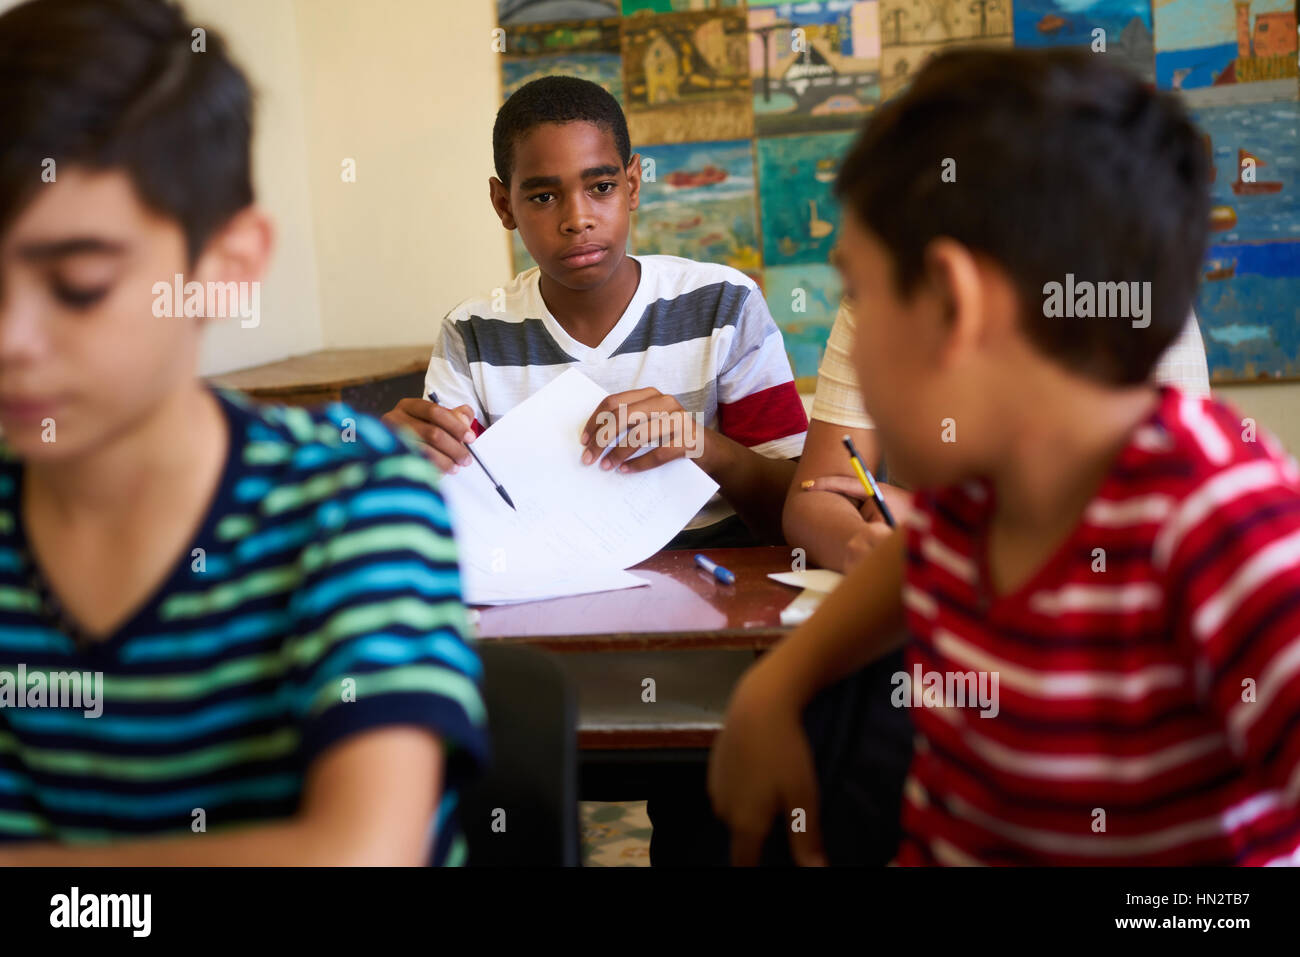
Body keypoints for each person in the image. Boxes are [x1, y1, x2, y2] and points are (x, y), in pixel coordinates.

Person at [710, 47, 1300, 866]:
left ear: (953, 304)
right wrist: (776, 687)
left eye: (860, 290)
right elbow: (910, 558)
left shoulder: (1227, 527)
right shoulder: (981, 492)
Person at [0, 0, 486, 865]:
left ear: (224, 270)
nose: (11, 338)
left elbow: (359, 855)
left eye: (76, 284)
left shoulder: (351, 499)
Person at [381, 76, 809, 550]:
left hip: (720, 576)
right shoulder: (474, 332)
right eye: (544, 197)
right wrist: (399, 466)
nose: (577, 219)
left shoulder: (723, 304)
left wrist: (705, 448)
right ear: (504, 205)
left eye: (601, 186)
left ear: (632, 185)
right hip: (546, 581)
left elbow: (798, 513)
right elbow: (458, 514)